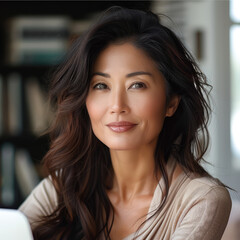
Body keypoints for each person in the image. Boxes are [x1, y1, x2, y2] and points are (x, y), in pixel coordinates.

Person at [19, 6, 231, 240]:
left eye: (137, 85)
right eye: (101, 86)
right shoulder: (64, 186)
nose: (117, 105)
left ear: (171, 102)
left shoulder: (201, 199)